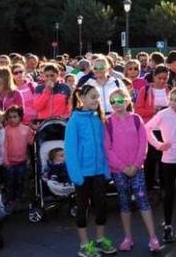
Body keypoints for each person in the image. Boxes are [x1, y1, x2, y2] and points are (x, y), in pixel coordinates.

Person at [104, 88, 161, 252]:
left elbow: (143, 144)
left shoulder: (136, 119)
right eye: (113, 101)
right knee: (124, 203)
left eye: (120, 100)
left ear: (128, 101)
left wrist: (136, 165)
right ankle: (127, 237)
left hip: (137, 169)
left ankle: (153, 238)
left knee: (143, 201)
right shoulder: (107, 122)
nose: (117, 104)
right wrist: (123, 167)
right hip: (118, 170)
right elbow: (107, 149)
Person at [65, 85, 115, 257]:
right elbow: (70, 150)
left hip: (99, 172)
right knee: (82, 208)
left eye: (97, 97)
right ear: (82, 98)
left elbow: (104, 147)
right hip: (82, 175)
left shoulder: (98, 119)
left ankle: (100, 240)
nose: (96, 100)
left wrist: (106, 169)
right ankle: (84, 244)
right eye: (92, 97)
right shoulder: (74, 120)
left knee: (101, 206)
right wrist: (76, 174)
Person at [145, 87, 176, 243]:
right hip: (168, 160)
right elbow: (147, 128)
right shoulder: (163, 113)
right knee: (169, 193)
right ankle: (167, 226)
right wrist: (158, 145)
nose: (172, 103)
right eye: (171, 99)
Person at [135, 64, 171, 189]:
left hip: (166, 130)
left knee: (164, 158)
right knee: (150, 158)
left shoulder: (170, 89)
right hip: (150, 129)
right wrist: (153, 110)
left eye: (164, 78)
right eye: (159, 78)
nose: (161, 81)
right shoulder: (144, 90)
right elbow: (138, 110)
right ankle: (148, 184)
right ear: (154, 77)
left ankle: (164, 184)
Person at [2, 105, 33, 211]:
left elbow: (31, 142)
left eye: (15, 116)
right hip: (10, 162)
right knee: (10, 182)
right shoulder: (5, 130)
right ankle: (11, 200)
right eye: (10, 117)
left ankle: (19, 200)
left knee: (21, 181)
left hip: (22, 161)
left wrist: (35, 130)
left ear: (20, 117)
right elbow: (4, 146)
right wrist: (5, 160)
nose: (12, 119)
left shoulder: (26, 129)